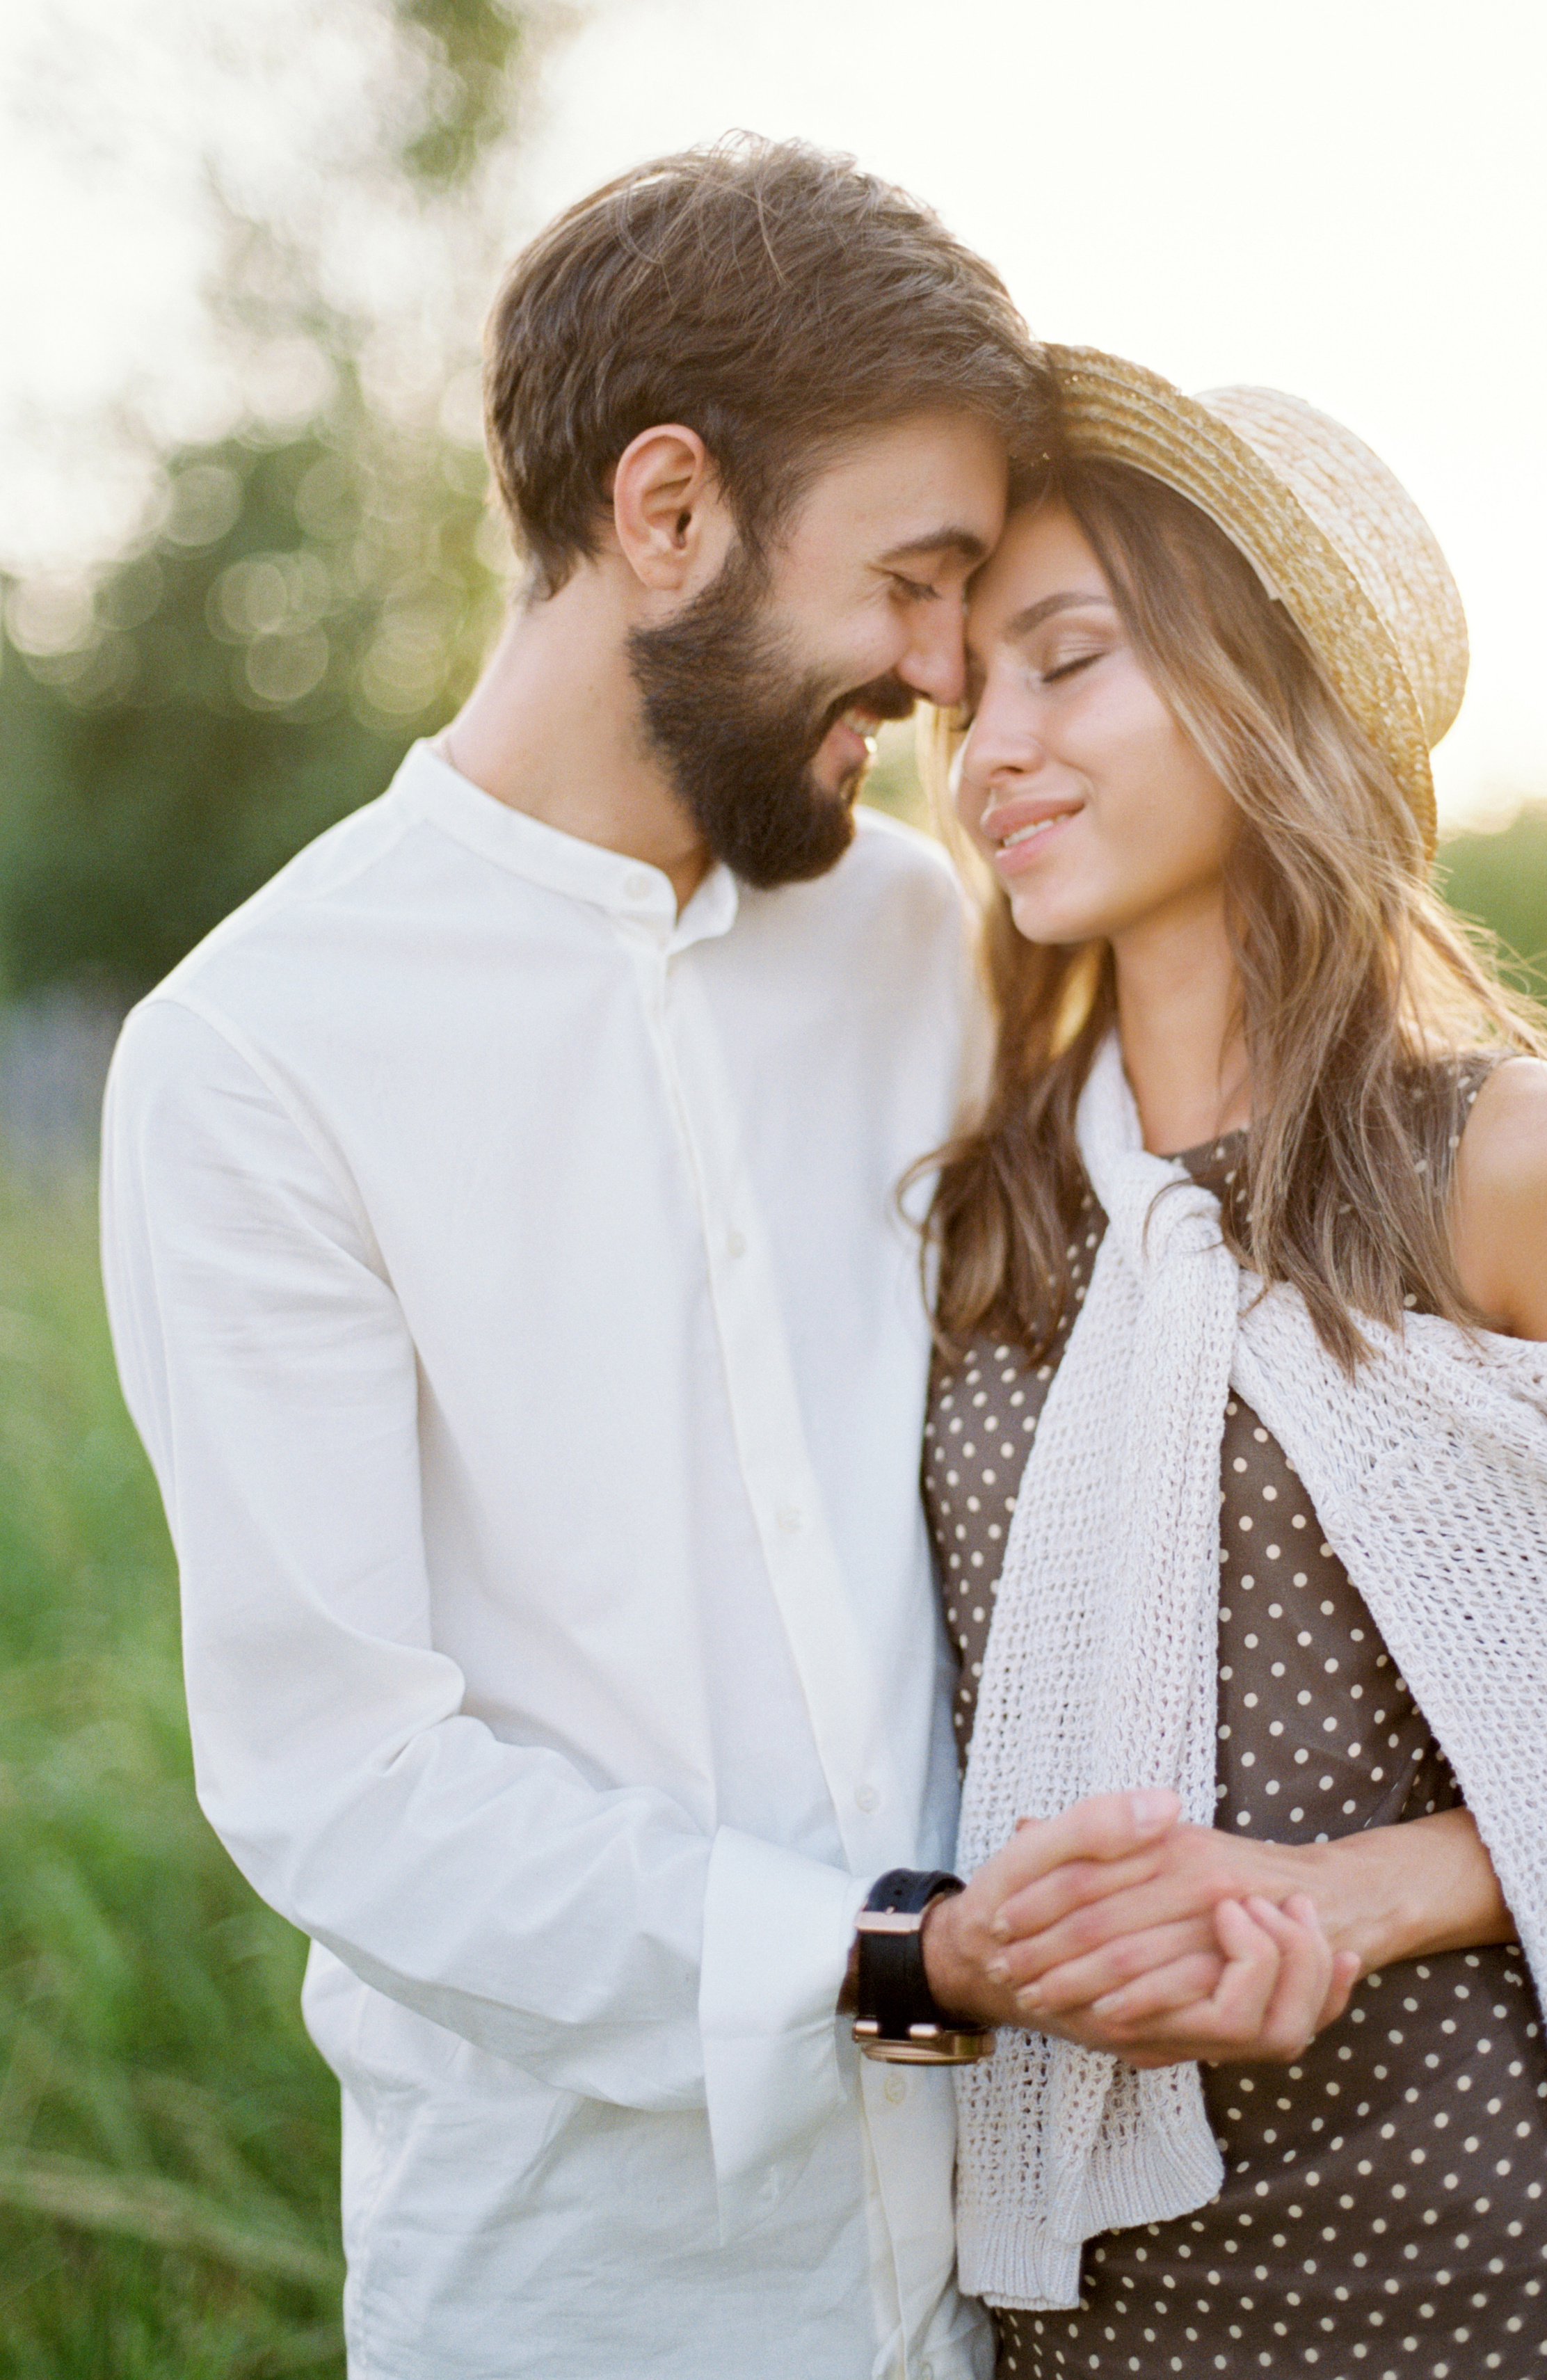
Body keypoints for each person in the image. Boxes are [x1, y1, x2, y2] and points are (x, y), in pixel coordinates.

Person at [99, 137, 1089, 2380]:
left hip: (1021, 2251)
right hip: (590, 2288)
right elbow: (342, 1779)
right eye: (916, 579)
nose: (949, 676)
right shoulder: (255, 1056)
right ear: (668, 513)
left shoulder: (921, 936)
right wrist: (892, 1953)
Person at [905, 353, 1547, 2377]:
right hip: (1080, 2286)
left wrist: (1343, 1898)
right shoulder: (985, 1207)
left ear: (1263, 686)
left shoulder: (1513, 1167)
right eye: (970, 702)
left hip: (1476, 2263)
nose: (991, 753)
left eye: (1067, 665)